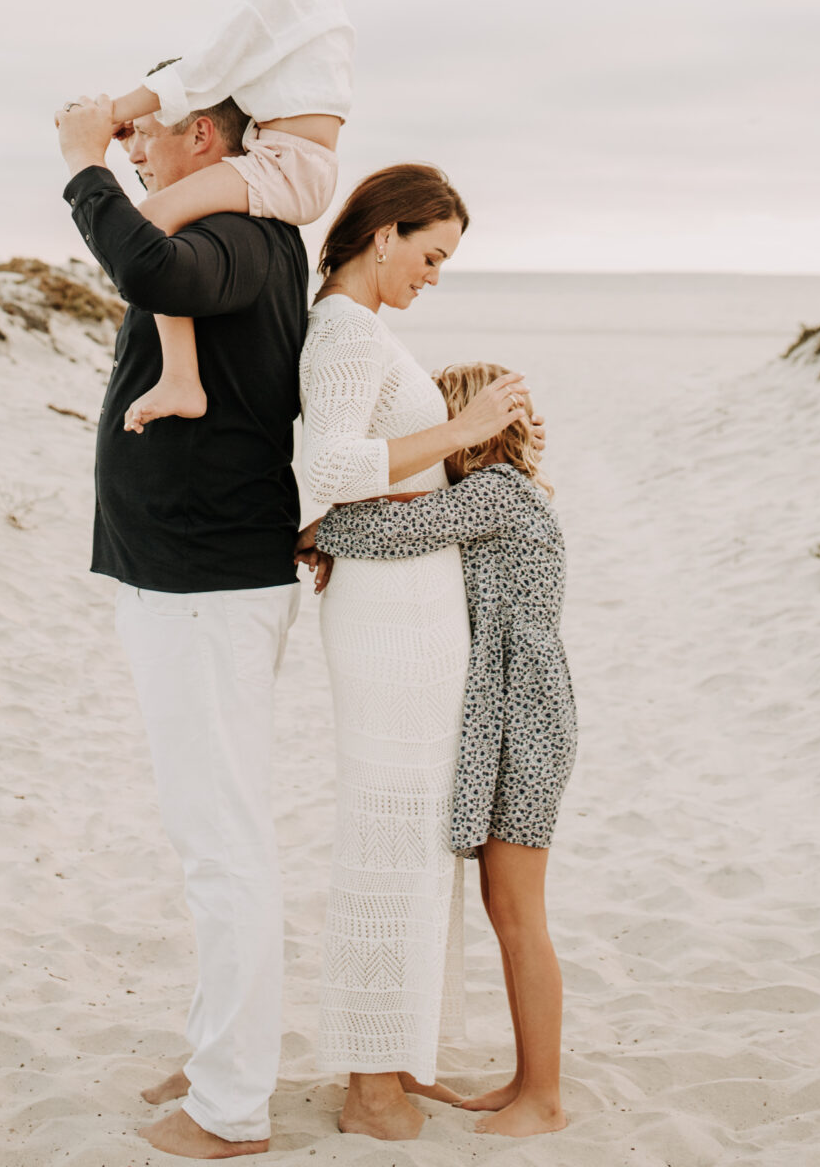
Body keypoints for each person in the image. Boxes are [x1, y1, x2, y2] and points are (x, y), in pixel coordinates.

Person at [57, 85, 307, 1161]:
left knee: (222, 845)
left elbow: (154, 268)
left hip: (206, 583)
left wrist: (83, 171)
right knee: (212, 836)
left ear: (203, 135)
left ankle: (233, 1105)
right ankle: (220, 1054)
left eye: (145, 130)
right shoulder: (229, 225)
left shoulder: (237, 231)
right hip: (189, 574)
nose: (130, 144)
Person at [297, 165, 533, 1144]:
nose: (436, 274)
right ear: (384, 233)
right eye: (431, 254)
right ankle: (368, 1082)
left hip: (409, 614)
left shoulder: (363, 328)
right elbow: (328, 467)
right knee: (388, 836)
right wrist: (467, 427)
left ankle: (396, 1053)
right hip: (389, 626)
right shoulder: (346, 329)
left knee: (415, 832)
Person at [306, 363, 577, 1139]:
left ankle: (545, 1099)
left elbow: (390, 530)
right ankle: (526, 1081)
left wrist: (318, 528)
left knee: (520, 912)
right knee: (506, 908)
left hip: (522, 721)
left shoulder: (493, 494)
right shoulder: (496, 496)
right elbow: (412, 520)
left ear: (471, 429)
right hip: (510, 715)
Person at [100, 0, 352, 433]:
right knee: (175, 218)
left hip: (285, 162)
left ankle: (182, 378)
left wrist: (114, 109)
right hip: (304, 163)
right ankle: (182, 376)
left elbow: (206, 69)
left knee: (150, 218)